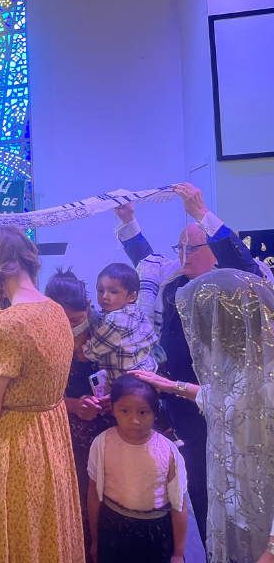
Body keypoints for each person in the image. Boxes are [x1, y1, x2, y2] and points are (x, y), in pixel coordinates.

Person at [114, 182, 269, 543]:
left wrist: (201, 213)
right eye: (178, 246)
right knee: (197, 485)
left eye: (191, 247)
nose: (182, 254)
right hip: (177, 405)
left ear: (213, 251)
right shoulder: (172, 281)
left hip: (223, 405)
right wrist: (127, 220)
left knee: (230, 487)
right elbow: (145, 260)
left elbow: (247, 267)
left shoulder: (235, 286)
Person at [131, 269, 274, 563]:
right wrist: (171, 385)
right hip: (239, 508)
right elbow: (224, 400)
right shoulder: (243, 364)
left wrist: (272, 546)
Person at [0, 226, 84, 563]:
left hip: (15, 446)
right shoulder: (55, 312)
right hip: (54, 436)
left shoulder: (7, 323)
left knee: (16, 538)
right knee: (50, 530)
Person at [45, 267, 114, 563]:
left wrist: (115, 398)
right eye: (62, 320)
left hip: (107, 428)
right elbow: (34, 393)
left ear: (87, 307)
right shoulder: (45, 337)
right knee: (74, 501)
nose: (69, 326)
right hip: (65, 432)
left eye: (74, 320)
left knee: (107, 498)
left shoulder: (107, 331)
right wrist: (72, 405)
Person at [87, 374, 188, 563]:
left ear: (156, 412)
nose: (134, 420)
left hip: (156, 533)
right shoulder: (102, 443)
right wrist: (95, 540)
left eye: (143, 412)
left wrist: (178, 553)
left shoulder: (168, 451)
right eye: (125, 411)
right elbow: (94, 494)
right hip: (112, 528)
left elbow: (179, 504)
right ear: (113, 409)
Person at [81, 262, 158, 387]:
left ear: (132, 296)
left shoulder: (116, 321)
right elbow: (101, 318)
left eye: (113, 292)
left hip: (129, 386)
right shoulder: (134, 310)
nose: (104, 296)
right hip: (148, 375)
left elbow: (89, 354)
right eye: (100, 290)